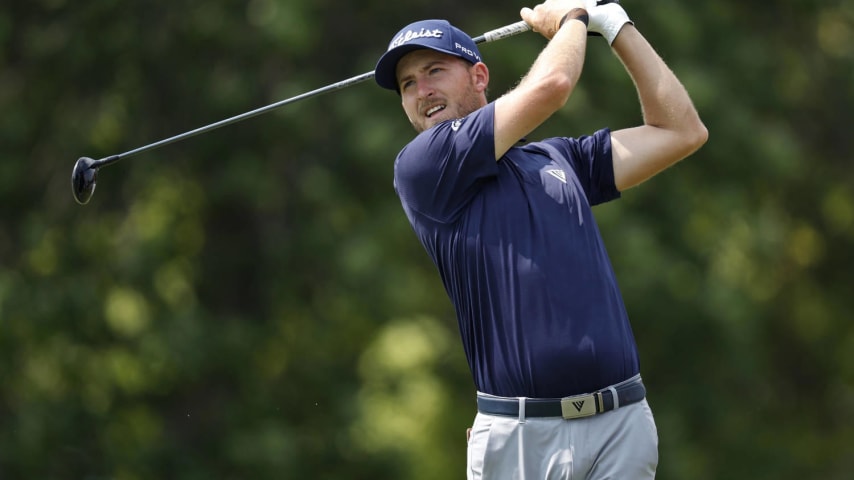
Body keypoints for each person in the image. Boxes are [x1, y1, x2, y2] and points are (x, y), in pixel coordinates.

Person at [374, 0, 707, 478]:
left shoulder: (558, 158)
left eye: (434, 70)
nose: (422, 90)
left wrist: (615, 25)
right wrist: (573, 20)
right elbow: (553, 85)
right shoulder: (422, 167)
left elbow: (681, 131)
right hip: (523, 438)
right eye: (408, 84)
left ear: (479, 78)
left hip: (623, 424)